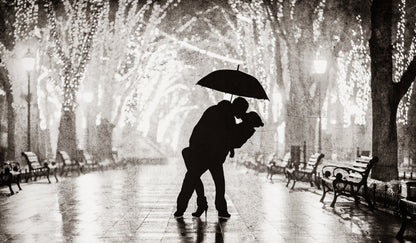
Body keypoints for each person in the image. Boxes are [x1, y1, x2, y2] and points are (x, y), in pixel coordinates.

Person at [174, 97, 249, 218]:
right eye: (242, 111)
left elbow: (201, 130)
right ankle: (221, 210)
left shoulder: (214, 110)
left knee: (191, 180)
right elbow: (229, 136)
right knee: (219, 184)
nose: (242, 114)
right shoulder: (228, 117)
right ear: (238, 108)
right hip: (210, 155)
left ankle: (182, 209)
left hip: (203, 152)